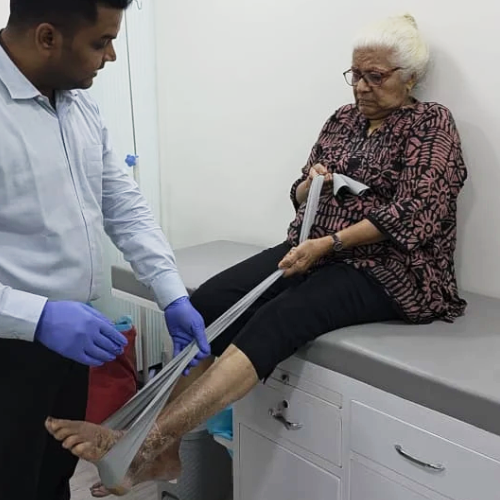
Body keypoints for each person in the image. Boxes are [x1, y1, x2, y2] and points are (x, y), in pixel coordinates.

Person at [45, 13, 468, 497]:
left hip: (389, 269)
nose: (362, 87)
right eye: (355, 74)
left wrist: (330, 243)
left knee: (275, 319)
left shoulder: (431, 123)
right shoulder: (343, 119)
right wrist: (310, 186)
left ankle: (148, 442)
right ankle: (167, 449)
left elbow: (418, 212)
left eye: (376, 76)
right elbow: (299, 188)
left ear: (409, 78)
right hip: (312, 249)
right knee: (210, 303)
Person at [0, 1, 210, 499]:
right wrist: (36, 317)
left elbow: (123, 206)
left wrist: (172, 293)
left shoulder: (77, 104)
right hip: (10, 345)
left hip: (67, 345)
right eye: (101, 42)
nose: (111, 56)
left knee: (51, 477)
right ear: (47, 37)